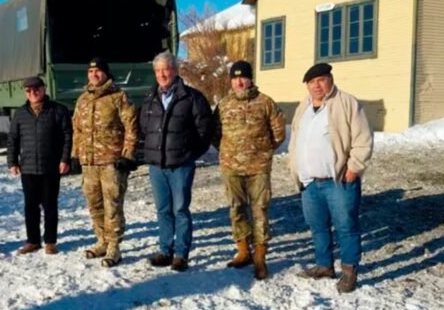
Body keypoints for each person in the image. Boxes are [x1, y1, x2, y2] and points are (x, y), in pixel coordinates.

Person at [289, 63, 373, 293]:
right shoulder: (303, 106)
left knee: (346, 226)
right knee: (317, 226)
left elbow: (363, 139)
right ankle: (324, 265)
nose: (316, 86)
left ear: (330, 80)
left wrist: (354, 168)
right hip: (309, 182)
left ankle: (349, 271)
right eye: (311, 82)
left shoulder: (346, 103)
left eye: (321, 80)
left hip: (338, 181)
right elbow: (296, 138)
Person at [212, 61, 285, 280]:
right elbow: (215, 135)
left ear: (250, 78)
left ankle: (260, 256)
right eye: (235, 78)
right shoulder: (223, 105)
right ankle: (243, 250)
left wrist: (262, 151)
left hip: (258, 167)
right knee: (236, 208)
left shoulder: (265, 103)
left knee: (260, 210)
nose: (239, 82)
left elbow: (279, 132)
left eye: (243, 77)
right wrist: (229, 151)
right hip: (231, 167)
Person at [140, 51, 213, 272]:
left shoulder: (192, 97)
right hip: (157, 166)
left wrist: (190, 153)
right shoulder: (150, 98)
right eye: (158, 70)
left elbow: (205, 130)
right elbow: (144, 127)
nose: (162, 74)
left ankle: (181, 254)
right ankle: (165, 250)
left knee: (180, 209)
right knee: (163, 209)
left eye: (166, 69)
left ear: (175, 70)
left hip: (181, 165)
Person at [72, 57, 138, 268]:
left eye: (98, 71)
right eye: (91, 72)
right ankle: (101, 240)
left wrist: (127, 155)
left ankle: (114, 247)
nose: (94, 75)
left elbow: (131, 127)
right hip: (89, 163)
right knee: (95, 204)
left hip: (112, 162)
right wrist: (76, 155)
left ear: (106, 74)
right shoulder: (83, 100)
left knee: (113, 205)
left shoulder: (118, 97)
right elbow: (77, 129)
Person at [8, 76, 72, 255]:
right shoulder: (20, 113)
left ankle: (50, 241)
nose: (33, 93)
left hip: (50, 166)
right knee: (30, 206)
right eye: (28, 90)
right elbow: (13, 138)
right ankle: (33, 240)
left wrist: (65, 159)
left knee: (50, 205)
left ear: (43, 89)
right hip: (28, 167)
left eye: (36, 89)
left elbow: (67, 136)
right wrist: (12, 161)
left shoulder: (58, 110)